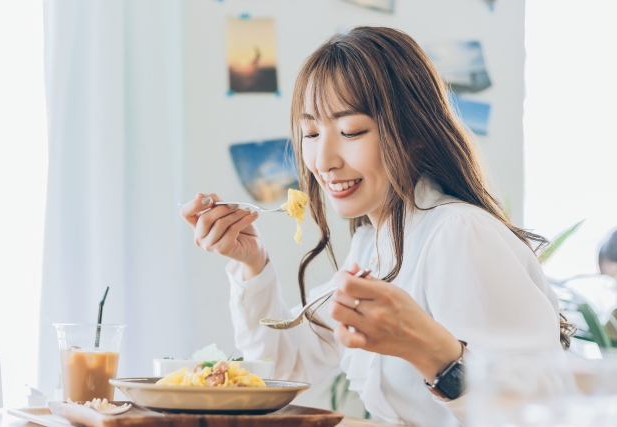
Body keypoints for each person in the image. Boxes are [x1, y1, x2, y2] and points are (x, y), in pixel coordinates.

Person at [181, 27, 568, 426]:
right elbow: (287, 363)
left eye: (351, 131)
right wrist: (253, 264)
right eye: (311, 133)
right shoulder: (374, 242)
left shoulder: (457, 233)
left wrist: (433, 353)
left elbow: (539, 413)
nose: (323, 160)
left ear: (415, 133)